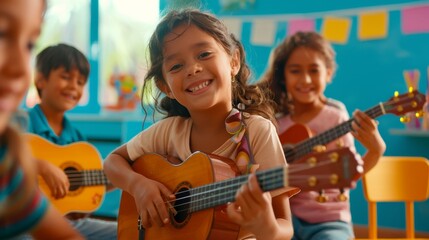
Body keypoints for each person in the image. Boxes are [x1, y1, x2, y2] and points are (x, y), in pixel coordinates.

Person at [103, 9, 299, 240]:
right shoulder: (169, 132)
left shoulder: (256, 131)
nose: (193, 69)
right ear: (166, 87)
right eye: (176, 66)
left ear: (233, 61)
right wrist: (138, 186)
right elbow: (112, 162)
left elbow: (284, 227)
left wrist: (268, 228)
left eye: (204, 54)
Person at [259, 31, 386, 240]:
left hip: (329, 220)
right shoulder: (276, 122)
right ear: (283, 76)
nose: (305, 79)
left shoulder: (336, 117)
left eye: (314, 70)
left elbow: (352, 171)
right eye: (295, 71)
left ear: (328, 73)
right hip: (284, 218)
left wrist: (375, 150)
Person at [0, 0, 83, 239]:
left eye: (29, 44)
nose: (20, 70)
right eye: (2, 33)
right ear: (41, 80)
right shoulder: (20, 129)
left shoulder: (5, 164)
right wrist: (40, 165)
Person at [26, 43, 117, 240]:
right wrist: (41, 166)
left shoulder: (77, 140)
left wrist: (124, 177)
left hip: (64, 223)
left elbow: (80, 202)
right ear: (40, 80)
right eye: (66, 77)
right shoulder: (21, 123)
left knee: (126, 232)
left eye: (80, 82)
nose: (73, 87)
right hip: (21, 221)